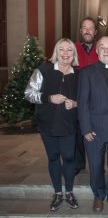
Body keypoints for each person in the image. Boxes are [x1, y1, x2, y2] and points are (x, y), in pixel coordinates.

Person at [24, 38, 79, 211]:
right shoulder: (43, 70)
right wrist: (48, 98)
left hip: (69, 125)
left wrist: (75, 103)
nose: (65, 53)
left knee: (69, 157)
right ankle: (57, 193)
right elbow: (28, 93)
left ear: (73, 54)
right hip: (48, 124)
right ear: (56, 52)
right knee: (54, 157)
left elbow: (84, 99)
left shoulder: (78, 74)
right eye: (61, 49)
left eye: (69, 50)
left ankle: (69, 191)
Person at [77, 36, 108, 212]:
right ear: (97, 51)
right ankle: (98, 196)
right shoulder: (86, 72)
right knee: (96, 164)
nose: (106, 50)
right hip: (94, 128)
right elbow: (82, 103)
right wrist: (85, 128)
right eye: (102, 47)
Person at [74, 17, 99, 175]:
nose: (88, 31)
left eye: (91, 28)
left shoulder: (100, 47)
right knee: (77, 131)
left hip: (97, 98)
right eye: (84, 28)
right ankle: (78, 163)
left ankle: (97, 163)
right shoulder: (73, 48)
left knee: (95, 132)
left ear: (95, 31)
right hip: (77, 96)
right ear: (81, 30)